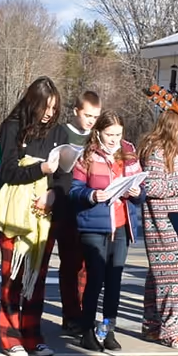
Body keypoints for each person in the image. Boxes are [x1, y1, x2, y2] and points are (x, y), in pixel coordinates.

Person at [0, 77, 63, 356]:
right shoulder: (12, 127)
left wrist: (55, 194)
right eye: (45, 107)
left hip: (44, 214)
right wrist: (41, 169)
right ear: (32, 103)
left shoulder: (58, 132)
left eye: (54, 108)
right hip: (15, 212)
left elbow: (65, 173)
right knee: (13, 277)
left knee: (37, 277)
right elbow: (8, 171)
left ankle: (33, 335)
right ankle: (10, 337)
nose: (49, 113)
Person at [66, 110, 143, 352]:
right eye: (109, 134)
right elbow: (73, 190)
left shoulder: (129, 154)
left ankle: (108, 329)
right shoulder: (86, 156)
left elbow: (142, 188)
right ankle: (87, 331)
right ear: (98, 132)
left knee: (114, 281)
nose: (114, 139)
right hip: (94, 225)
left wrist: (138, 193)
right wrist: (91, 194)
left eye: (118, 134)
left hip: (120, 225)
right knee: (95, 278)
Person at [137, 109, 178, 350]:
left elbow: (172, 181)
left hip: (175, 221)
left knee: (158, 274)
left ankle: (152, 325)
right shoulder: (157, 151)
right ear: (172, 127)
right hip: (162, 224)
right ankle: (171, 332)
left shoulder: (172, 152)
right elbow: (150, 185)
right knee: (174, 272)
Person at [52, 89, 102, 337]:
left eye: (95, 116)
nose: (91, 120)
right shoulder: (62, 132)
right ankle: (70, 314)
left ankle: (85, 314)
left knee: (87, 265)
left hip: (90, 208)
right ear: (75, 112)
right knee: (70, 264)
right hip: (66, 207)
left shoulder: (97, 137)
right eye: (87, 115)